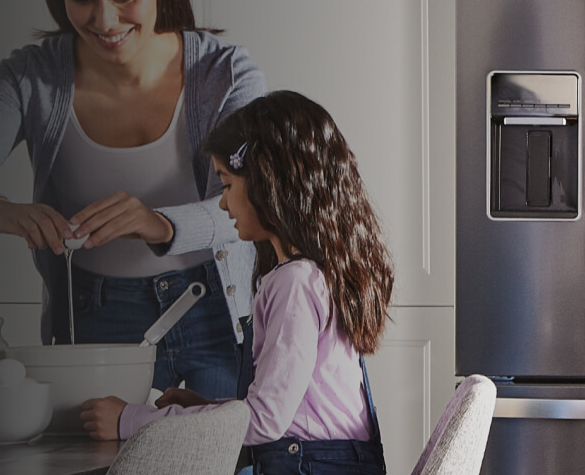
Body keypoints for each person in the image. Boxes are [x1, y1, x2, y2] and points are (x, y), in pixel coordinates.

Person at [0, 0, 265, 401]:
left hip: (211, 302)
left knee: (222, 457)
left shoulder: (225, 73)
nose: (104, 20)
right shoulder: (29, 76)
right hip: (95, 312)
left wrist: (159, 223)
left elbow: (249, 200)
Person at [77, 90, 397, 475]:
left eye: (227, 184)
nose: (224, 203)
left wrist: (130, 421)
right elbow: (288, 412)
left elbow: (264, 421)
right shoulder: (315, 273)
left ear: (267, 182)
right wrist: (204, 408)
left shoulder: (294, 284)